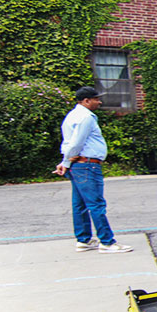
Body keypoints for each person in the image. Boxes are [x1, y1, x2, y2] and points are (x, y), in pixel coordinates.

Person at [53, 86, 133, 253]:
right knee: (96, 204)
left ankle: (83, 239)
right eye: (96, 99)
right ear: (86, 101)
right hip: (87, 165)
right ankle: (107, 242)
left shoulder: (72, 116)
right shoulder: (86, 117)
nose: (99, 102)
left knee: (80, 204)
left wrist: (65, 162)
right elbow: (76, 143)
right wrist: (67, 159)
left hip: (78, 166)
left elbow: (69, 143)